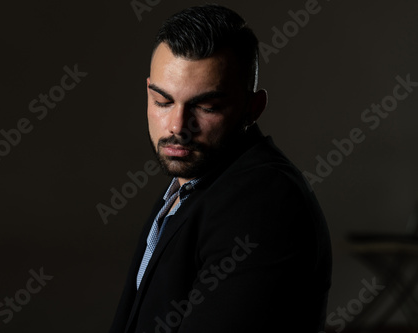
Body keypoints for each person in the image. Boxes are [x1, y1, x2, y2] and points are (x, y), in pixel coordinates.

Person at [110, 4, 332, 332]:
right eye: (163, 101)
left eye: (207, 107)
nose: (177, 126)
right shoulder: (192, 180)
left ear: (253, 108)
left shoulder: (263, 203)